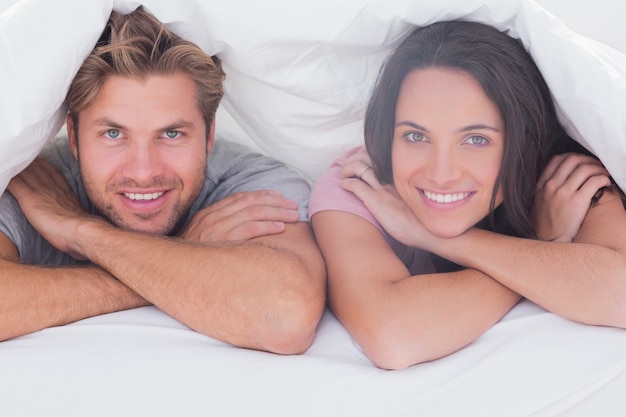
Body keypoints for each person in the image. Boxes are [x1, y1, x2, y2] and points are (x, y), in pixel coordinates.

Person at [0, 7, 326, 355]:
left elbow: (285, 318)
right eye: (113, 134)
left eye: (171, 133)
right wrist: (186, 252)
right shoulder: (35, 182)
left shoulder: (250, 186)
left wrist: (82, 232)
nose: (143, 171)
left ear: (209, 134)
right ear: (75, 139)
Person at [309, 20, 626, 369]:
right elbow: (395, 337)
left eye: (476, 139)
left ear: (522, 140)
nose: (441, 174)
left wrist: (435, 237)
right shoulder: (361, 185)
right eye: (415, 136)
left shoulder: (562, 183)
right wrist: (545, 244)